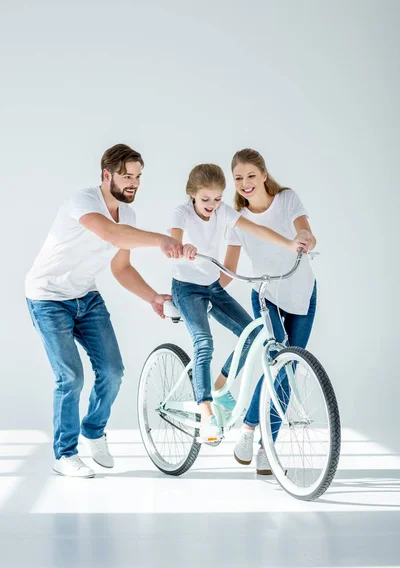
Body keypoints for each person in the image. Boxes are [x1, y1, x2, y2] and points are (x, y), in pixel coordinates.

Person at [25, 144, 183, 478]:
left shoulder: (128, 215)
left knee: (113, 371)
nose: (134, 184)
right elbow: (110, 233)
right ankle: (64, 454)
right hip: (48, 297)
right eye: (127, 176)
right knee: (70, 376)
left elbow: (121, 267)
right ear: (106, 174)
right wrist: (161, 240)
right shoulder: (81, 202)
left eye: (138, 177)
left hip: (85, 296)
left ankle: (93, 431)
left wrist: (153, 297)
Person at [169, 163, 307, 442]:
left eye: (218, 198)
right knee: (204, 342)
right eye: (206, 199)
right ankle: (206, 412)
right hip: (186, 288)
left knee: (255, 334)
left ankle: (220, 387)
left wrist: (290, 244)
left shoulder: (222, 212)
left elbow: (256, 230)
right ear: (193, 194)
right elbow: (173, 242)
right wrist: (183, 248)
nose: (212, 205)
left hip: (212, 287)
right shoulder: (182, 213)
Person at [221, 148, 316, 474]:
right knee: (278, 363)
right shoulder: (237, 220)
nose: (245, 183)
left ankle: (265, 445)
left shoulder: (287, 199)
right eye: (238, 178)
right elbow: (228, 269)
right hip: (265, 295)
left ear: (263, 174)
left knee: (291, 366)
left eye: (250, 175)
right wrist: (202, 287)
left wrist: (305, 236)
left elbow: (304, 229)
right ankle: (250, 431)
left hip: (302, 292)